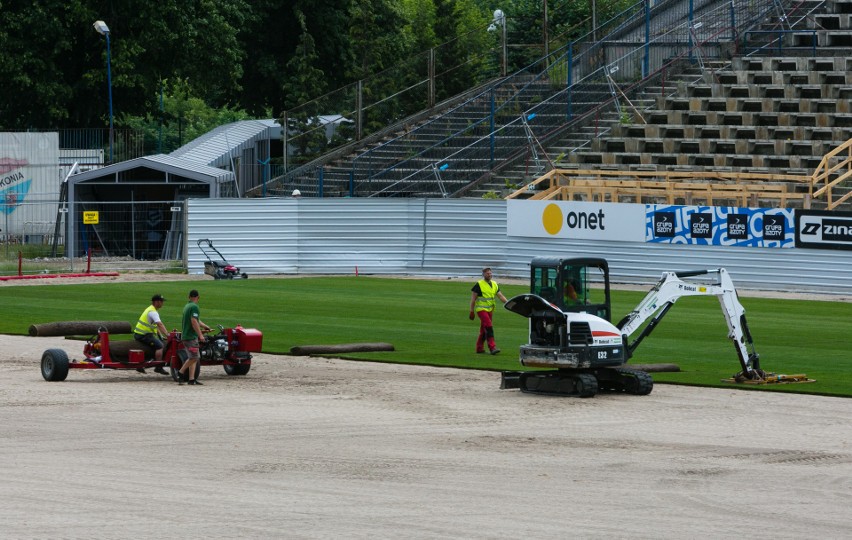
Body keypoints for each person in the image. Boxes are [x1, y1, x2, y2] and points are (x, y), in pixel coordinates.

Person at [469, 267, 508, 355]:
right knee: (489, 326)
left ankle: (479, 348)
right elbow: (473, 299)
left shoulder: (494, 284)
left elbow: (500, 296)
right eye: (487, 273)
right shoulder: (478, 284)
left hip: (490, 310)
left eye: (490, 273)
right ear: (483, 274)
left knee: (484, 329)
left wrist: (509, 303)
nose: (489, 275)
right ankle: (492, 347)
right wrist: (471, 311)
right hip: (481, 309)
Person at [178, 289, 211, 386]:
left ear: (189, 297)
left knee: (193, 357)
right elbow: (193, 321)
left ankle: (191, 379)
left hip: (186, 336)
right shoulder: (194, 307)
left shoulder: (187, 306)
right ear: (198, 297)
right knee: (195, 357)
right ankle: (180, 372)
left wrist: (205, 326)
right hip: (190, 337)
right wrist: (200, 335)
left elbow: (196, 320)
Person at [133, 294, 170, 375]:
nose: (162, 303)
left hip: (140, 334)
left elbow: (155, 326)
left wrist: (161, 336)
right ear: (156, 302)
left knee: (158, 342)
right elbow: (159, 324)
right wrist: (168, 335)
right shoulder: (153, 312)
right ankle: (158, 367)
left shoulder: (150, 309)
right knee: (160, 346)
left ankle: (143, 365)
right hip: (143, 335)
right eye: (161, 301)